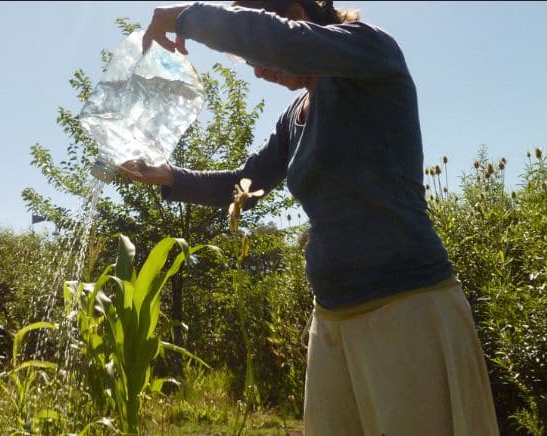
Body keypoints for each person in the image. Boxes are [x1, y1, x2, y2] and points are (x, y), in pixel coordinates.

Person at [119, 1, 500, 435]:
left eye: (258, 59)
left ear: (295, 14)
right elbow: (247, 184)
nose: (259, 72)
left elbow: (287, 42)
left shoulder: (370, 54)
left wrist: (188, 15)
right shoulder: (294, 117)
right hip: (333, 318)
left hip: (405, 308)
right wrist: (166, 176)